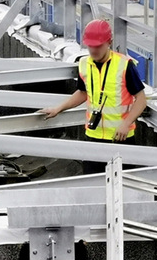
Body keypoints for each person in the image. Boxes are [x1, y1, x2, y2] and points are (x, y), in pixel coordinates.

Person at [40, 19, 147, 172]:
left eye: (98, 46)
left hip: (120, 138)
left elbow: (141, 100)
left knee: (123, 189)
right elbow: (83, 93)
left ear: (108, 42)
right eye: (90, 46)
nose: (93, 50)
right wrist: (58, 108)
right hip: (93, 136)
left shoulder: (124, 65)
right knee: (92, 185)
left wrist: (126, 123)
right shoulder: (84, 64)